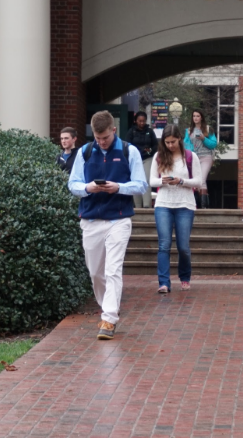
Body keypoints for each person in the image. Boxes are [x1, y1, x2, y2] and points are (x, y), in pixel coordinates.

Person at [68, 110, 147, 340]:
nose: (101, 142)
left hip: (119, 219)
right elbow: (72, 184)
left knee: (113, 269)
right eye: (97, 137)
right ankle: (108, 306)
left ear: (114, 130)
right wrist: (88, 188)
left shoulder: (128, 151)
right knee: (95, 272)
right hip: (91, 218)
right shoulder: (85, 152)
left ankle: (109, 318)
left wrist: (118, 187)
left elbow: (141, 184)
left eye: (105, 137)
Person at [150, 124, 202, 294]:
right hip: (163, 204)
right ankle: (164, 282)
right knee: (164, 245)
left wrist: (181, 181)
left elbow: (198, 182)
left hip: (185, 205)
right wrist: (163, 181)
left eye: (173, 141)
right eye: (167, 142)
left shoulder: (190, 156)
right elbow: (151, 181)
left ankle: (185, 277)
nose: (170, 145)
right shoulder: (158, 156)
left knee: (183, 247)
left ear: (179, 138)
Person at [183, 109, 217, 208]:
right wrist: (191, 152)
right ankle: (198, 203)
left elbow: (213, 144)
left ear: (201, 117)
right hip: (194, 158)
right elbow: (186, 144)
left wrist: (203, 138)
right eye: (194, 116)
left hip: (206, 157)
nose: (196, 118)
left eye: (198, 116)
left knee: (201, 179)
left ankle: (203, 205)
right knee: (196, 180)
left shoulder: (208, 129)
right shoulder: (188, 130)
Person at [125, 111, 158, 208]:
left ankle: (147, 205)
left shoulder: (150, 131)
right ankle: (137, 206)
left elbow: (155, 145)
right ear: (135, 121)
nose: (142, 123)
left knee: (147, 180)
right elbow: (127, 145)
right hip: (135, 160)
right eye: (139, 121)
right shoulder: (131, 132)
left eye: (143, 121)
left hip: (147, 158)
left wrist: (151, 151)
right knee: (136, 180)